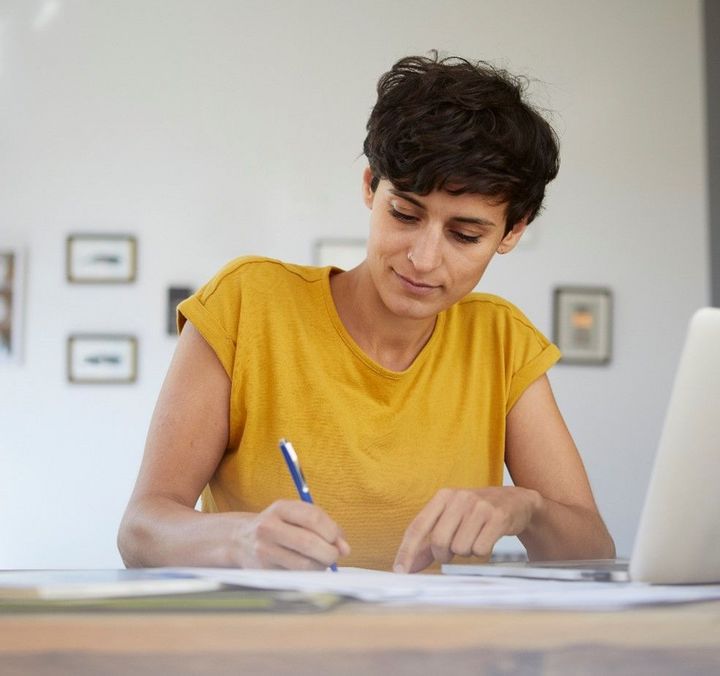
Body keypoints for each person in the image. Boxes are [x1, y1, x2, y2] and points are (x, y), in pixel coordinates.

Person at [118, 53, 615, 573]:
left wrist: (525, 509)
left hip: (434, 649)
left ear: (512, 232)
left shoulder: (502, 342)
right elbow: (140, 532)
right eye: (404, 214)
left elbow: (592, 551)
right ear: (370, 187)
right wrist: (236, 540)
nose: (423, 259)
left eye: (465, 235)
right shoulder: (246, 305)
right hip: (266, 645)